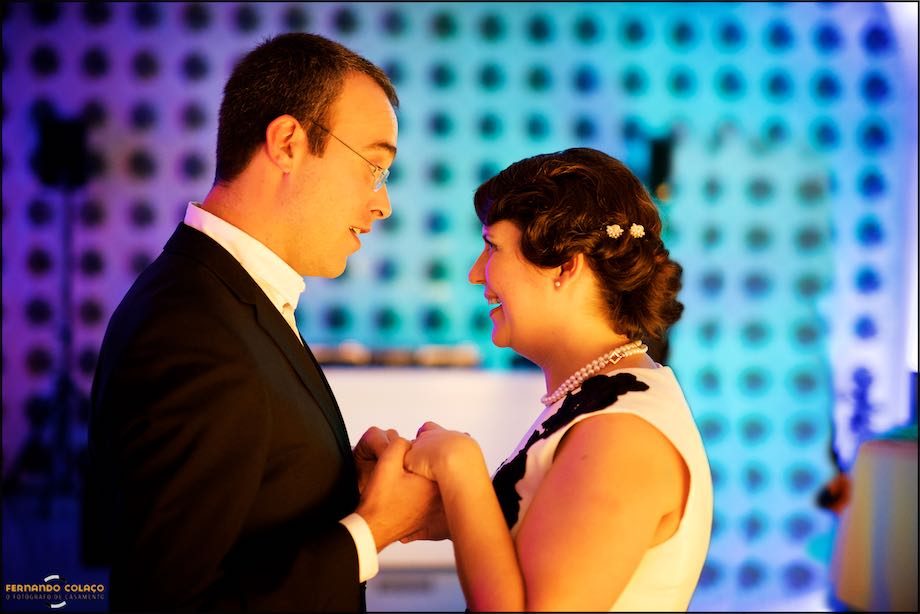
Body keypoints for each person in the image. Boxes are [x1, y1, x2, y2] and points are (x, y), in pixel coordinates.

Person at [83, 33, 438, 611]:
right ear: (288, 142)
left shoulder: (221, 297)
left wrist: (336, 483)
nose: (383, 204)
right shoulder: (192, 331)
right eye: (374, 167)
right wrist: (372, 529)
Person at [398, 147, 713, 611]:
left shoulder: (622, 434)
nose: (474, 274)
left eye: (491, 247)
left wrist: (460, 465)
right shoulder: (597, 402)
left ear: (565, 265)